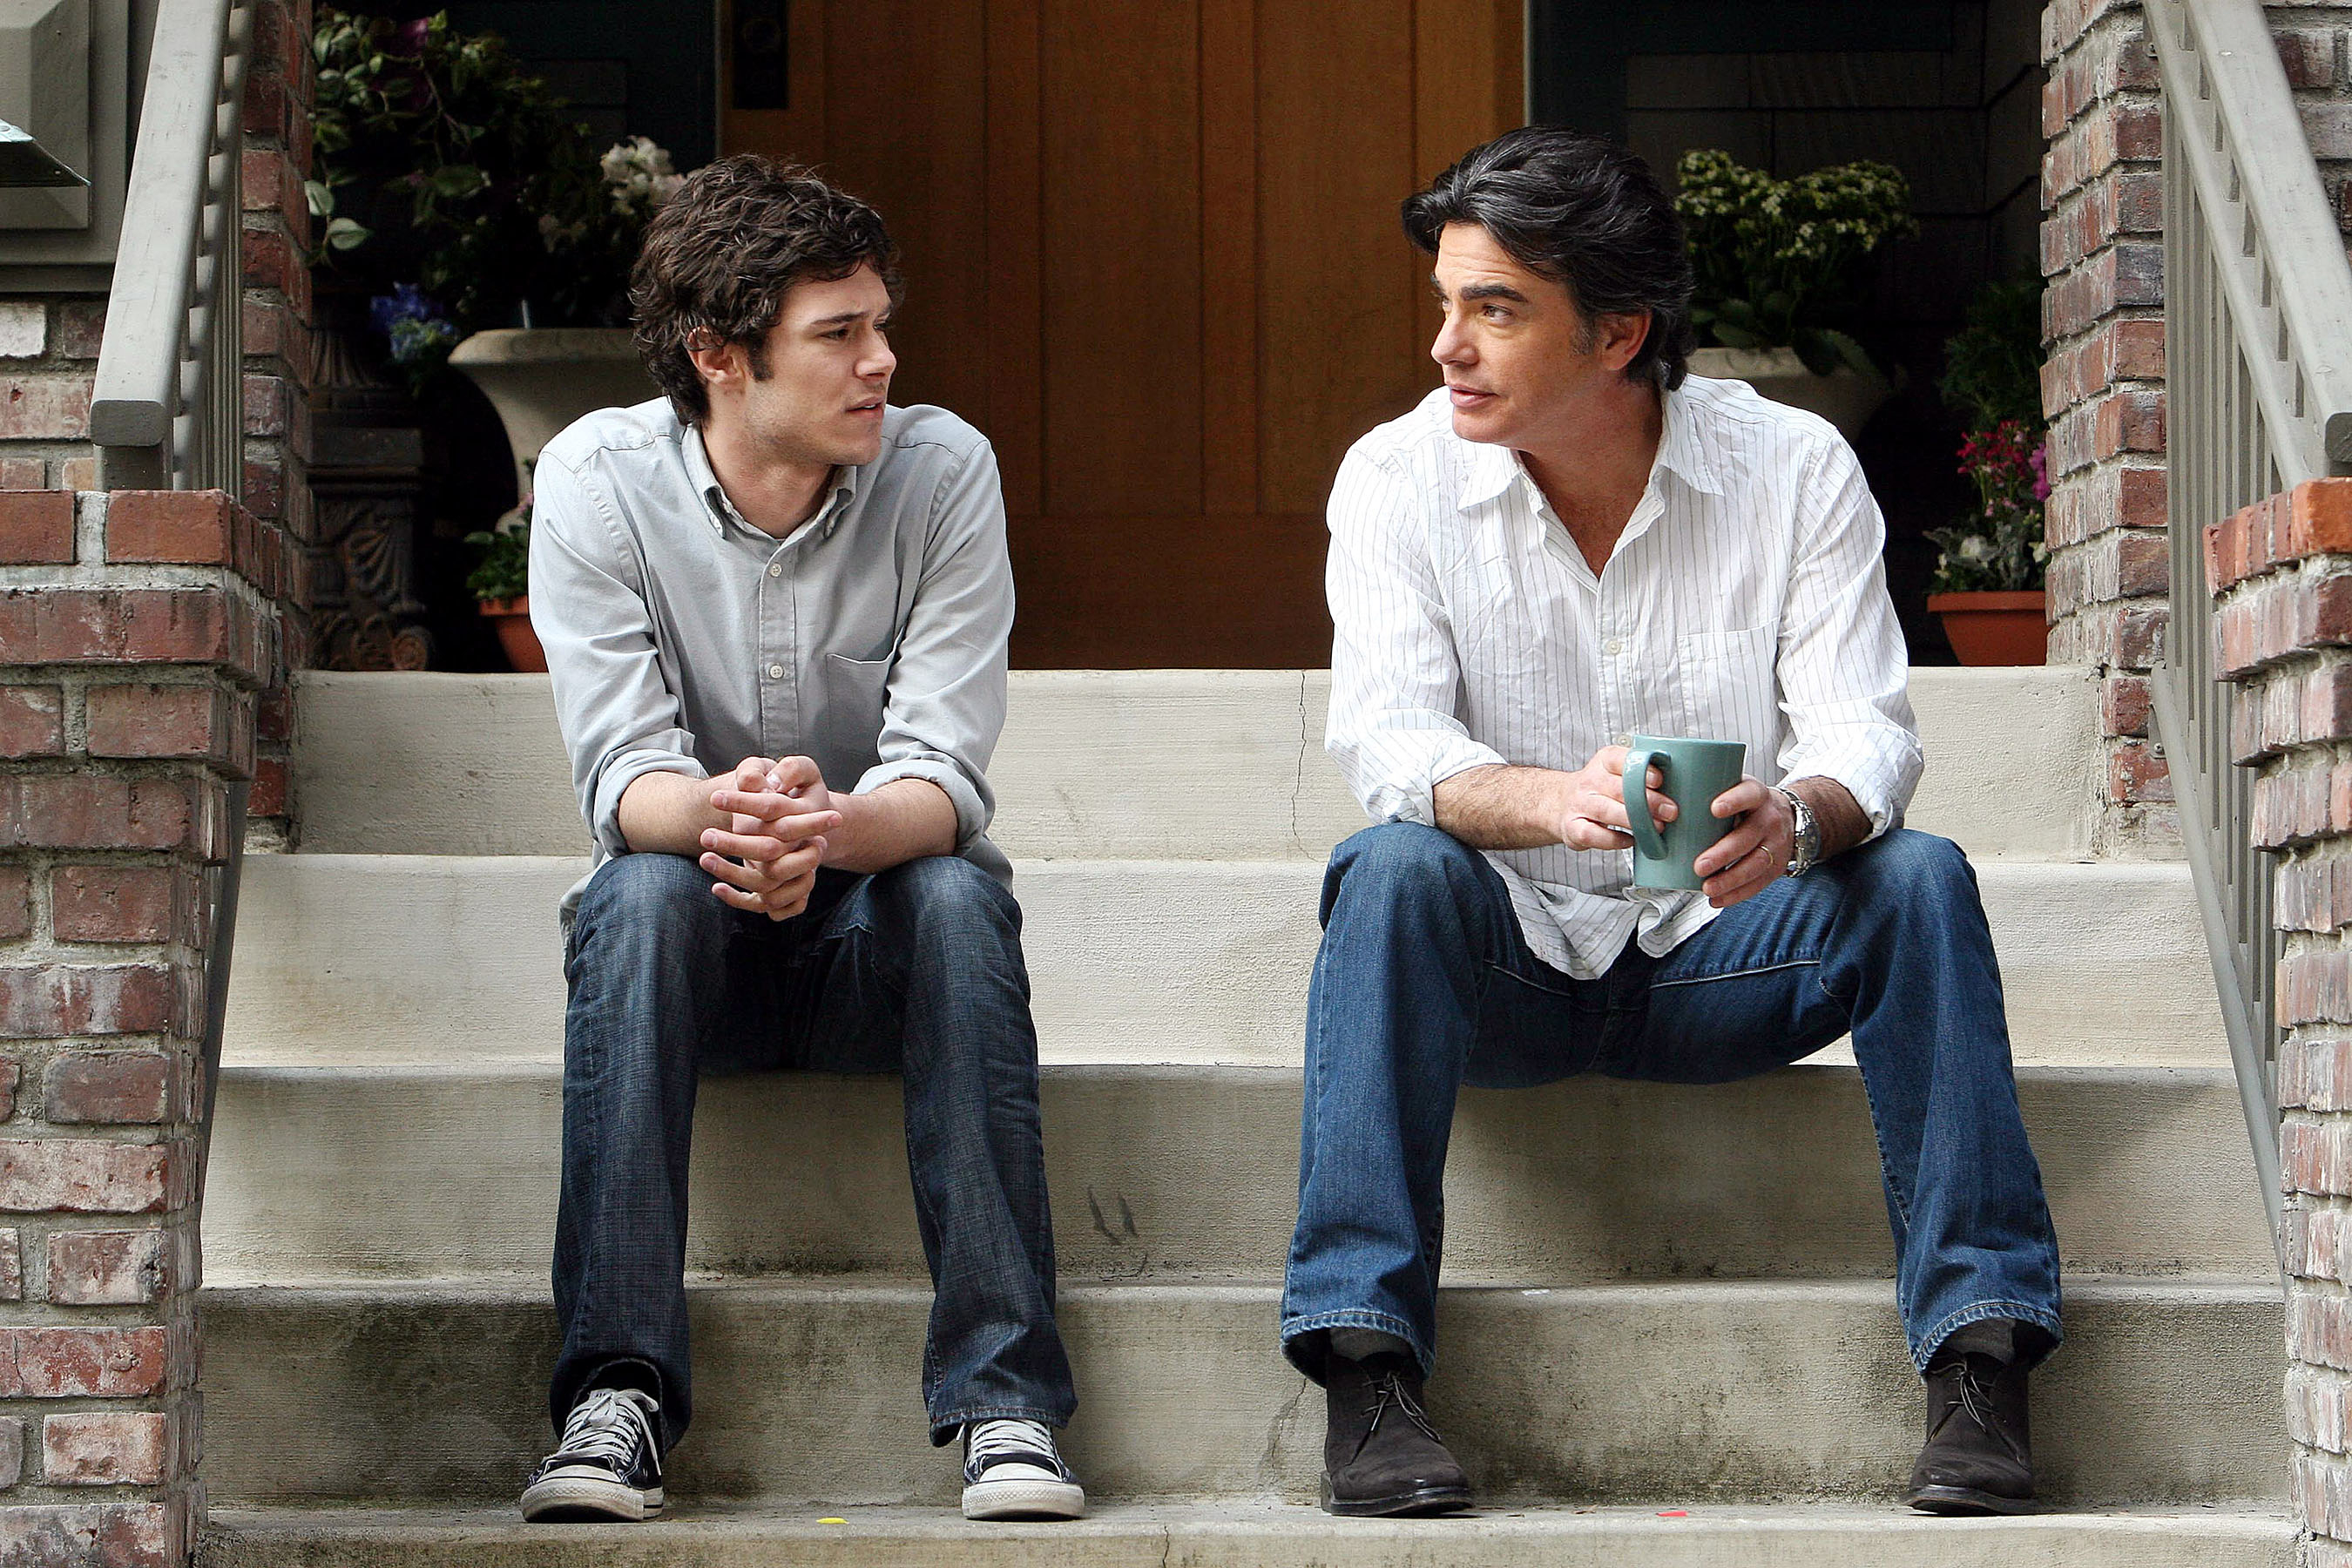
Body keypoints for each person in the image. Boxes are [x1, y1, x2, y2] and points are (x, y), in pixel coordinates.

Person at [1282, 127, 2061, 1519]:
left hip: (1725, 947)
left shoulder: (1793, 466)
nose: (1446, 346)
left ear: (1618, 333)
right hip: (1509, 960)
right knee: (1387, 870)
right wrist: (1543, 801)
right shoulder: (1393, 479)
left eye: (1495, 310)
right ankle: (1370, 1374)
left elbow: (1864, 732)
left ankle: (1979, 1362)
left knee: (1921, 877)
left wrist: (1803, 820)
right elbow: (1389, 741)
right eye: (1447, 304)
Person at [517, 154, 1083, 1525]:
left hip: (871, 939)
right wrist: (737, 823)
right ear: (719, 355)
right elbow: (623, 774)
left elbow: (944, 776)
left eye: (882, 325)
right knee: (637, 898)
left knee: (954, 897)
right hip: (690, 941)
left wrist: (824, 832)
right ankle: (617, 1399)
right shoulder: (597, 480)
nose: (883, 361)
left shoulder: (945, 473)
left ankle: (1008, 1408)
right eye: (841, 335)